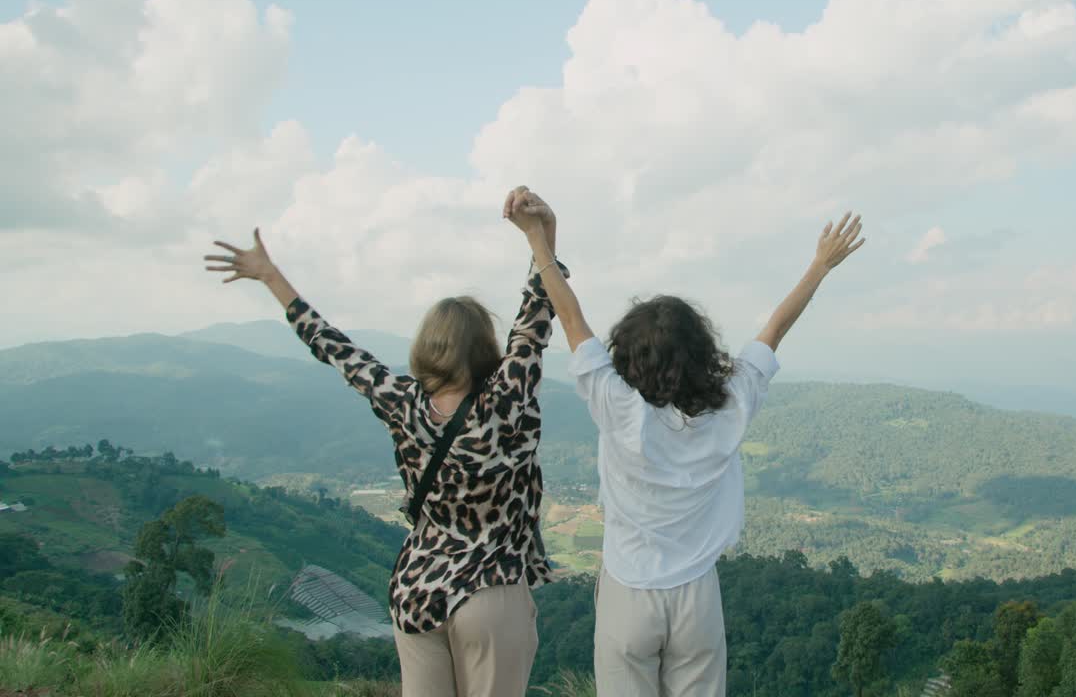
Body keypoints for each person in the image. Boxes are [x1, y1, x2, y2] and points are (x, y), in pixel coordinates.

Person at [204, 187, 567, 697]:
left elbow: (333, 347)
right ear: (486, 348)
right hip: (490, 590)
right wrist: (541, 237)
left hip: (417, 587)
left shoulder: (400, 400)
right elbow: (534, 319)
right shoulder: (506, 400)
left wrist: (270, 276)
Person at [503, 189, 867, 696]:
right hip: (696, 594)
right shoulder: (732, 405)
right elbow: (776, 328)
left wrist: (538, 240)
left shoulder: (619, 407)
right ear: (701, 351)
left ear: (628, 356)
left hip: (628, 592)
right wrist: (820, 265)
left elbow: (570, 319)